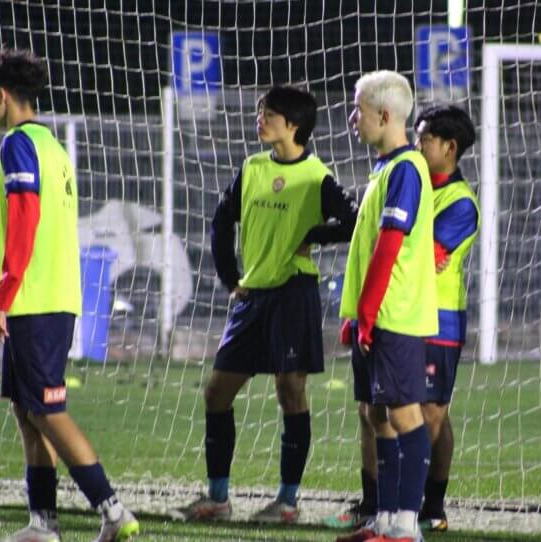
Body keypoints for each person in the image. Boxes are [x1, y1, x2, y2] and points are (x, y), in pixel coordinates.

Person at [0, 48, 139, 542]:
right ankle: (42, 524)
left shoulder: (19, 144)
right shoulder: (53, 148)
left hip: (35, 298)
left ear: (3, 96)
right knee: (27, 411)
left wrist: (4, 293)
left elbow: (25, 220)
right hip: (53, 295)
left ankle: (113, 510)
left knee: (46, 409)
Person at [179, 85, 357, 524]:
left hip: (294, 294)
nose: (260, 119)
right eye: (260, 111)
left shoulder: (317, 176)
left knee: (290, 392)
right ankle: (218, 497)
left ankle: (288, 502)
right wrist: (230, 278)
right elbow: (221, 221)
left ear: (293, 125)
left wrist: (314, 235)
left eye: (269, 114)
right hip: (252, 295)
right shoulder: (253, 167)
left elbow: (355, 221)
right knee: (217, 391)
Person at [337, 70, 437, 542]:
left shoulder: (407, 170)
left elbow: (390, 245)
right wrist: (355, 313)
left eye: (357, 109)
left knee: (404, 415)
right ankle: (385, 518)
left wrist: (369, 312)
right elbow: (366, 250)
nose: (351, 118)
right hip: (375, 314)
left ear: (382, 115)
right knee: (376, 415)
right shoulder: (385, 168)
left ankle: (406, 525)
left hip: (394, 314)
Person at [414, 105, 478, 532]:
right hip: (406, 313)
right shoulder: (416, 186)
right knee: (389, 409)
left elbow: (424, 256)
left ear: (450, 147)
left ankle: (431, 507)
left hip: (439, 321)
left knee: (431, 414)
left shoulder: (461, 203)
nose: (417, 145)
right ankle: (393, 502)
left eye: (425, 139)